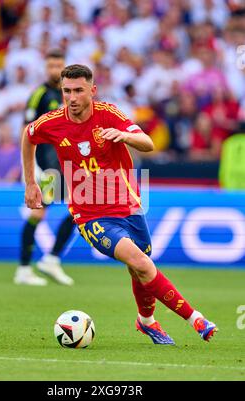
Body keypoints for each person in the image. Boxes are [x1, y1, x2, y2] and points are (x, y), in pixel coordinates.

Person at [22, 64, 218, 344]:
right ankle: (196, 319)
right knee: (141, 262)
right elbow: (28, 137)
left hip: (128, 205)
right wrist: (31, 182)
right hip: (90, 215)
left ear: (93, 90)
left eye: (79, 90)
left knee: (139, 268)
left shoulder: (109, 114)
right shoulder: (52, 122)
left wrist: (125, 136)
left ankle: (146, 321)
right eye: (67, 91)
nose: (72, 97)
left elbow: (148, 143)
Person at [14, 49, 74, 287]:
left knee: (76, 209)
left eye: (58, 65)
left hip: (64, 163)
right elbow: (26, 131)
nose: (54, 70)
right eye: (51, 66)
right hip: (46, 166)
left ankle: (44, 261)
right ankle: (28, 266)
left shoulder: (69, 95)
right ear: (45, 68)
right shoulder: (39, 94)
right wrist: (30, 169)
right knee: (50, 211)